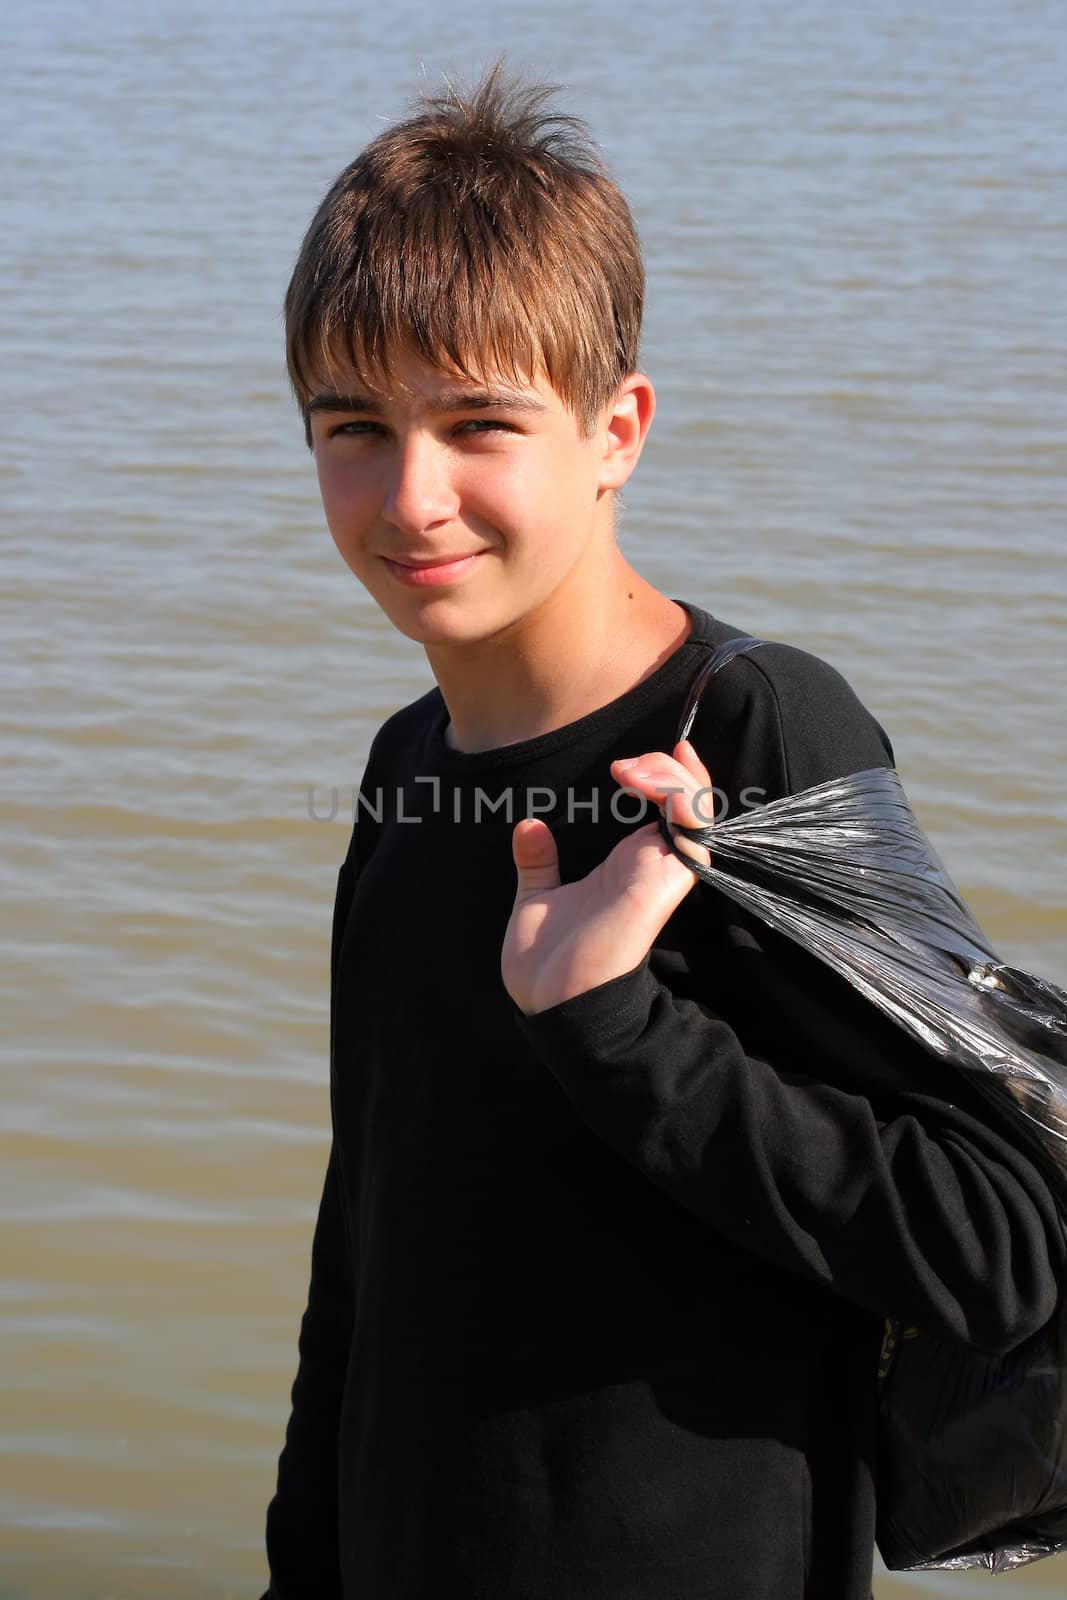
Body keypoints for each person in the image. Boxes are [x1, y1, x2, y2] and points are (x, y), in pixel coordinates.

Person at [260, 64, 1064, 1600]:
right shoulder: (407, 763)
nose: (412, 496)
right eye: (354, 424)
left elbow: (997, 1244)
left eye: (481, 421)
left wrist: (618, 1034)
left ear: (616, 429)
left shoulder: (754, 737)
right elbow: (362, 1251)